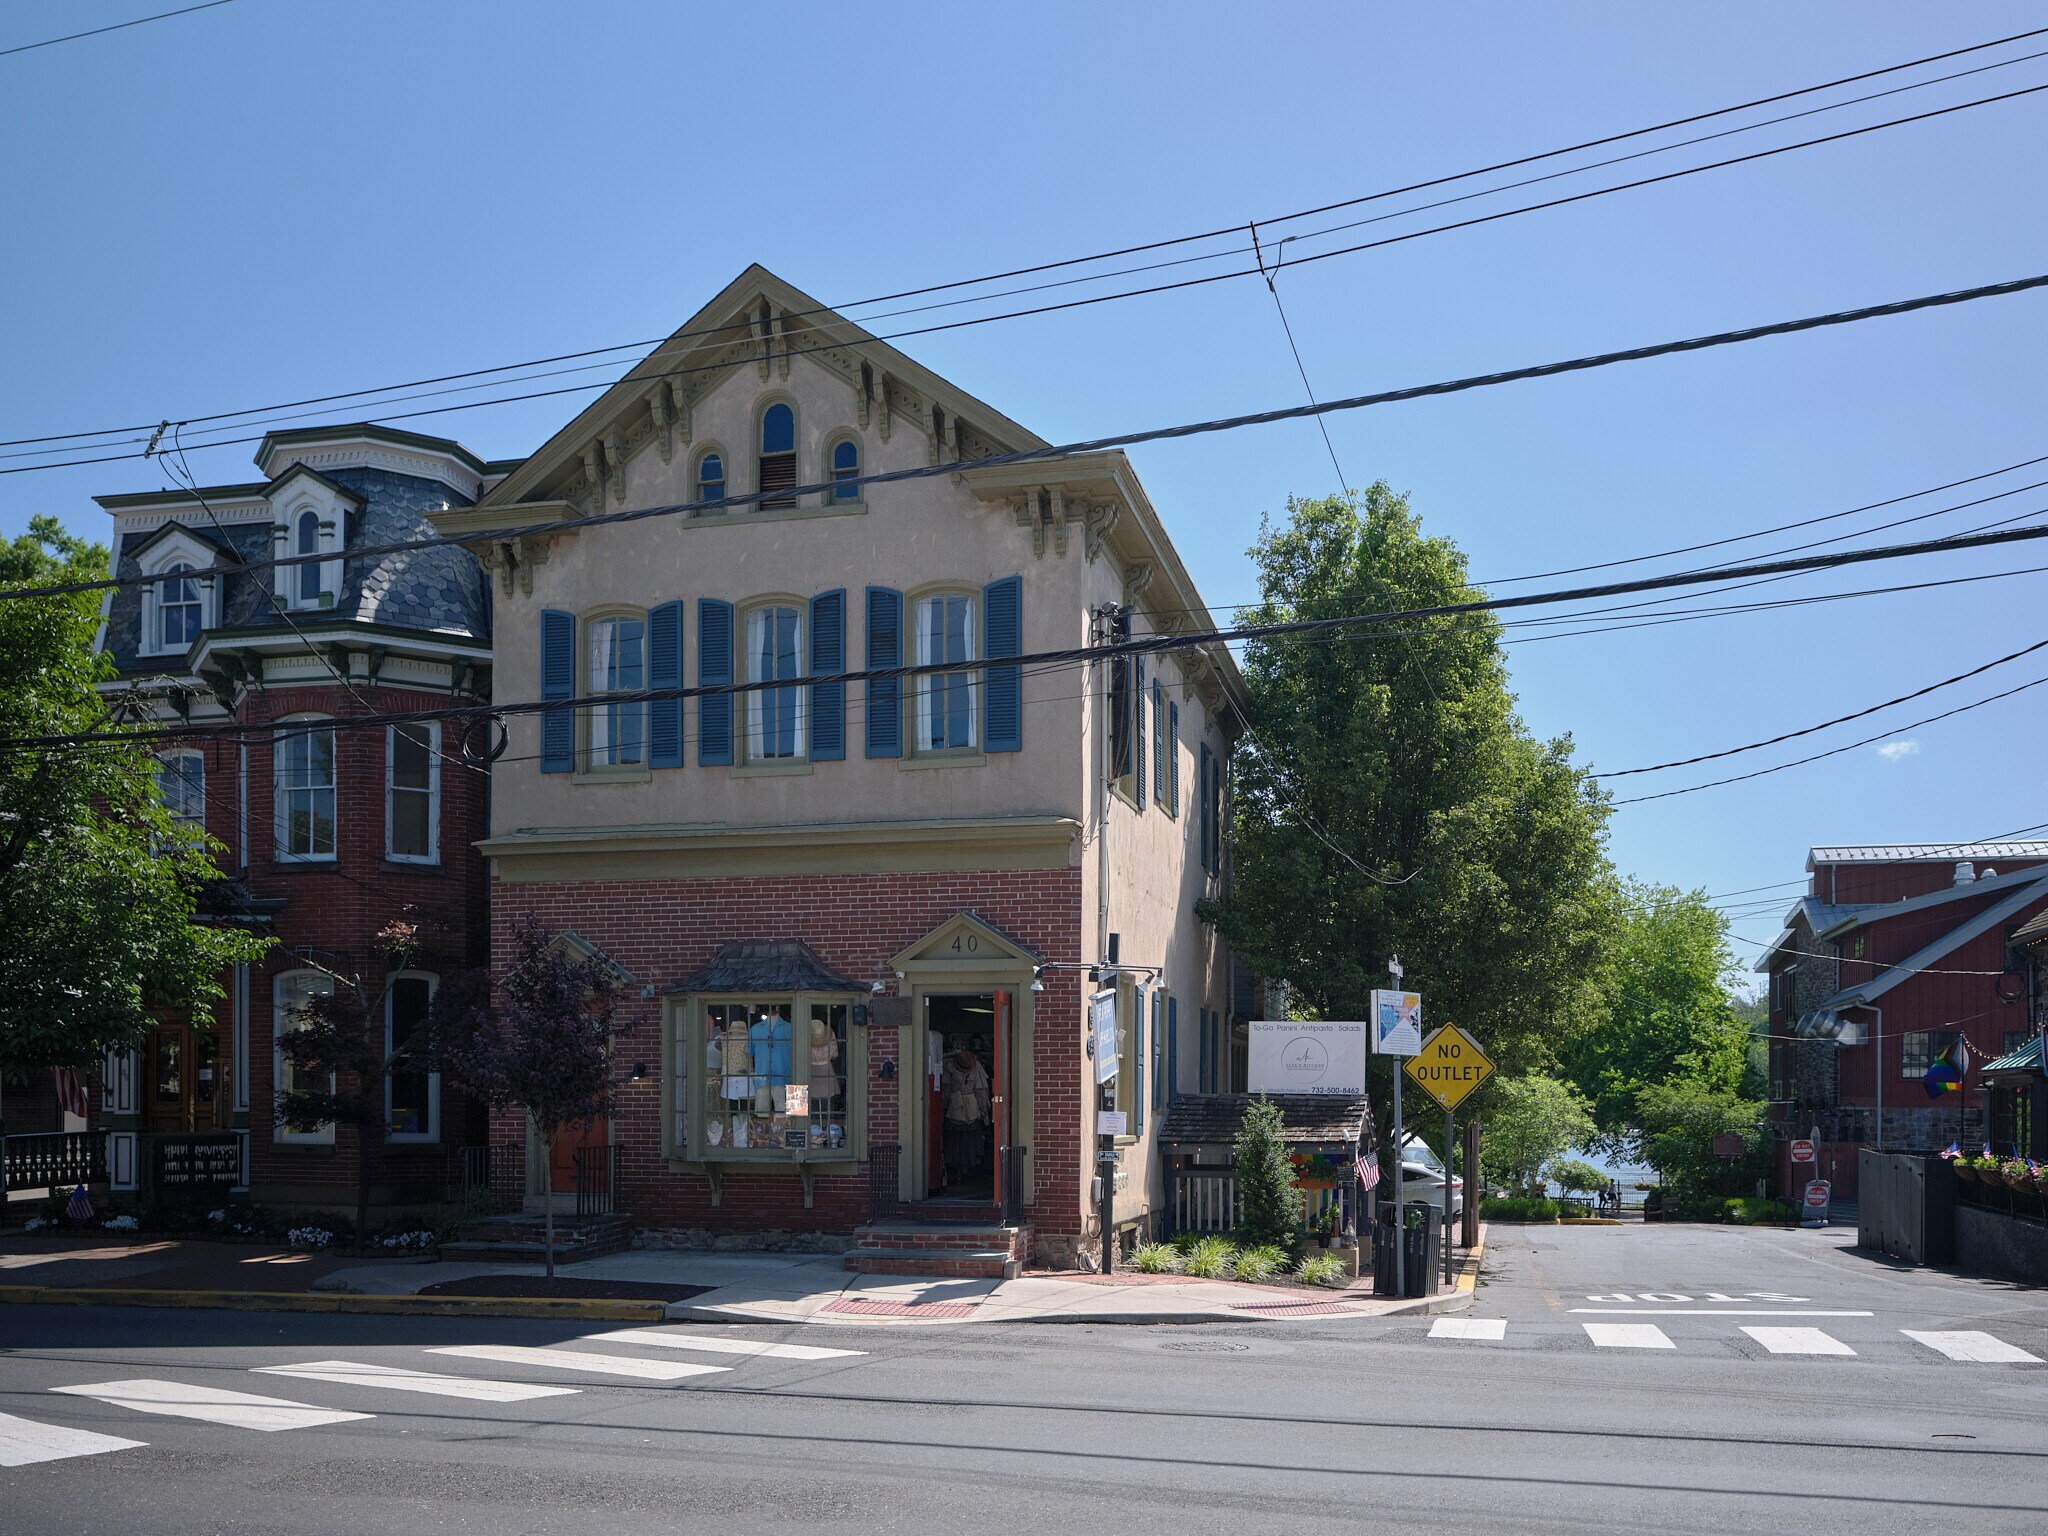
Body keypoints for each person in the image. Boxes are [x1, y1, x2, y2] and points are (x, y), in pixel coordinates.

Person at [940, 1044, 991, 1183]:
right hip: (959, 1104)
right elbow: (945, 1090)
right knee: (958, 1138)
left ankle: (967, 1167)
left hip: (962, 1104)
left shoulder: (975, 1067)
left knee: (968, 1138)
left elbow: (981, 1090)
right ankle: (959, 1167)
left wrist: (983, 1109)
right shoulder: (948, 1066)